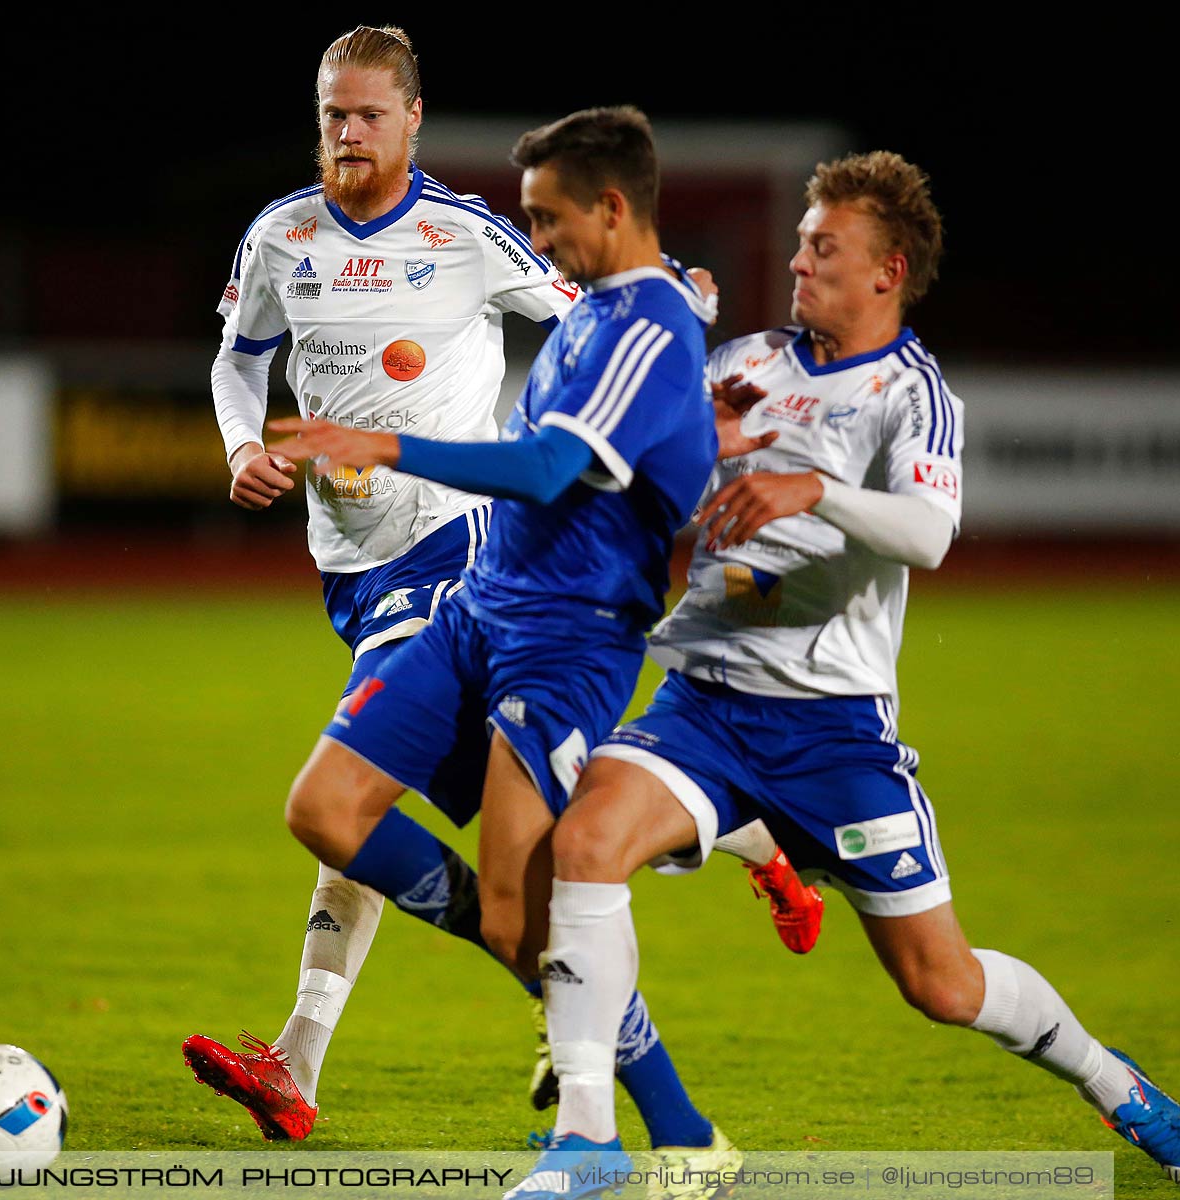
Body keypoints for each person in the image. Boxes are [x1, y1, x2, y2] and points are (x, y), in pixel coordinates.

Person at [518, 150, 1180, 1199]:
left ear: (887, 271)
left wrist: (816, 491)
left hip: (834, 736)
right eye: (802, 241)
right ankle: (586, 1140)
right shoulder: (749, 361)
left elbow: (929, 534)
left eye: (822, 247)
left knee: (943, 985)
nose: (797, 260)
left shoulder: (912, 395)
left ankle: (1113, 1082)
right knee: (583, 841)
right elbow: (646, 470)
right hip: (705, 706)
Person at [190, 25, 814, 1152]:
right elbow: (240, 360)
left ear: (412, 120)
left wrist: (683, 307)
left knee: (356, 806)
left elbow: (597, 324)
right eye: (332, 111)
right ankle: (745, 835)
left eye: (368, 113)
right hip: (348, 563)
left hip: (456, 558)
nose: (346, 131)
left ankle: (307, 1055)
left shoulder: (471, 238)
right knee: (472, 821)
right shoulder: (280, 236)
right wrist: (245, 446)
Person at [267, 106, 744, 1194]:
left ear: (612, 209)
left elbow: (543, 471)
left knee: (511, 916)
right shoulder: (605, 309)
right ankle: (649, 1102)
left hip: (566, 642)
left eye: (551, 218)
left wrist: (380, 440)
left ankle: (639, 1137)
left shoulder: (649, 328)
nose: (540, 239)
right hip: (479, 603)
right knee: (325, 811)